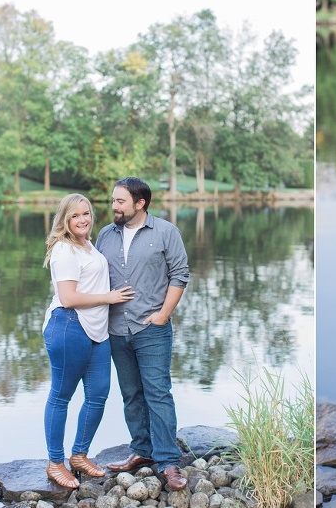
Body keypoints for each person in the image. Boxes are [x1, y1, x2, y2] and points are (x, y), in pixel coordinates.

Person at [96, 177, 190, 491]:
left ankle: (167, 461)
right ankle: (141, 450)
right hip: (116, 330)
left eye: (120, 201)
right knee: (131, 395)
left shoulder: (165, 232)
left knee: (158, 393)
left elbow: (180, 274)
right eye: (113, 200)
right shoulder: (105, 235)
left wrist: (163, 315)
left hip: (151, 329)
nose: (114, 207)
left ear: (140, 203)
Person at [42, 193, 134, 488]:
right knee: (61, 396)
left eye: (86, 214)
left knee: (98, 394)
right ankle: (55, 463)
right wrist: (108, 297)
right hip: (68, 327)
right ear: (64, 220)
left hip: (97, 329)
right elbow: (67, 298)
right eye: (75, 216)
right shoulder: (64, 250)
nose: (82, 220)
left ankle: (79, 455)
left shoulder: (87, 244)